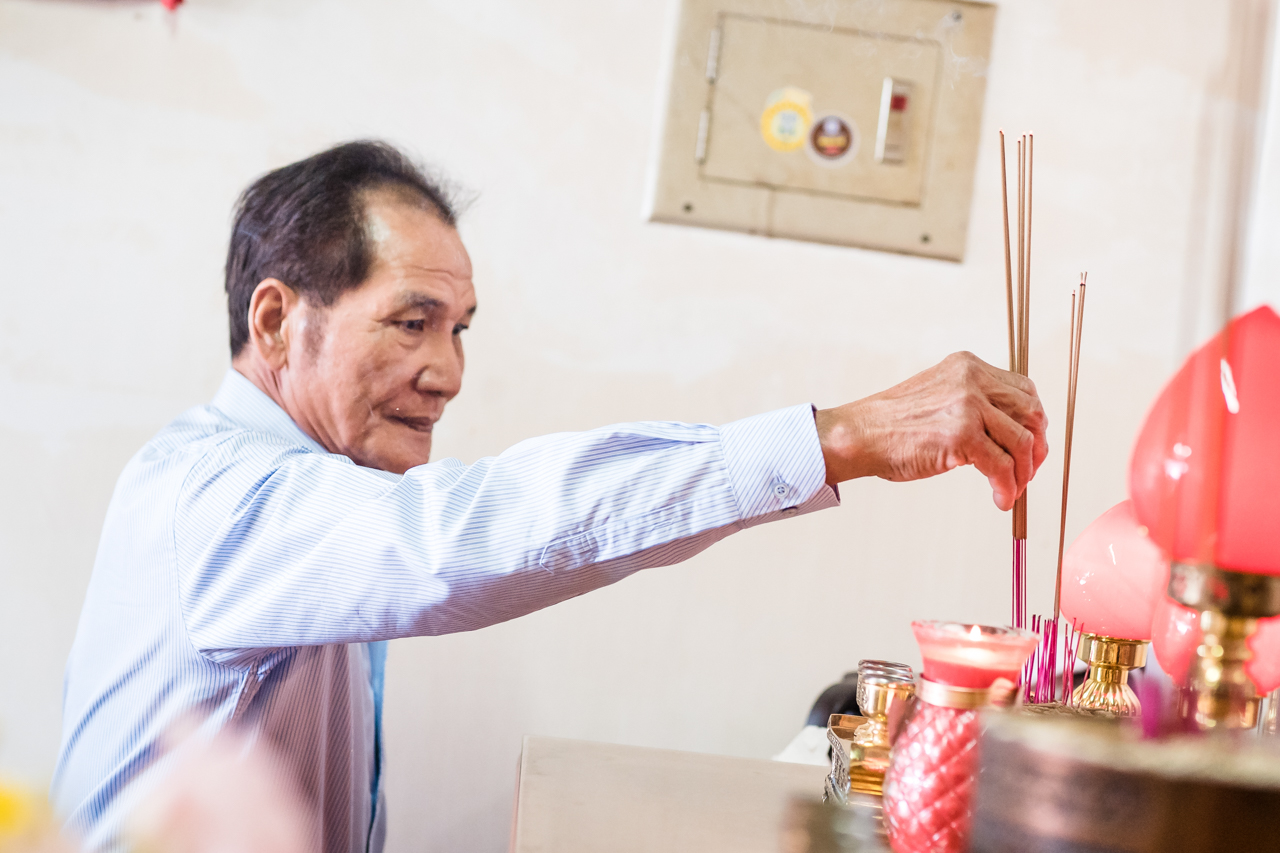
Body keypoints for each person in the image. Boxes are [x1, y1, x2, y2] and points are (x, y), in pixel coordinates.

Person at [52, 141, 1048, 853]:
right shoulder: (213, 494)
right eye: (410, 322)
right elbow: (468, 534)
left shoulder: (312, 487)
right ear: (276, 321)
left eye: (458, 329)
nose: (447, 372)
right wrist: (841, 437)